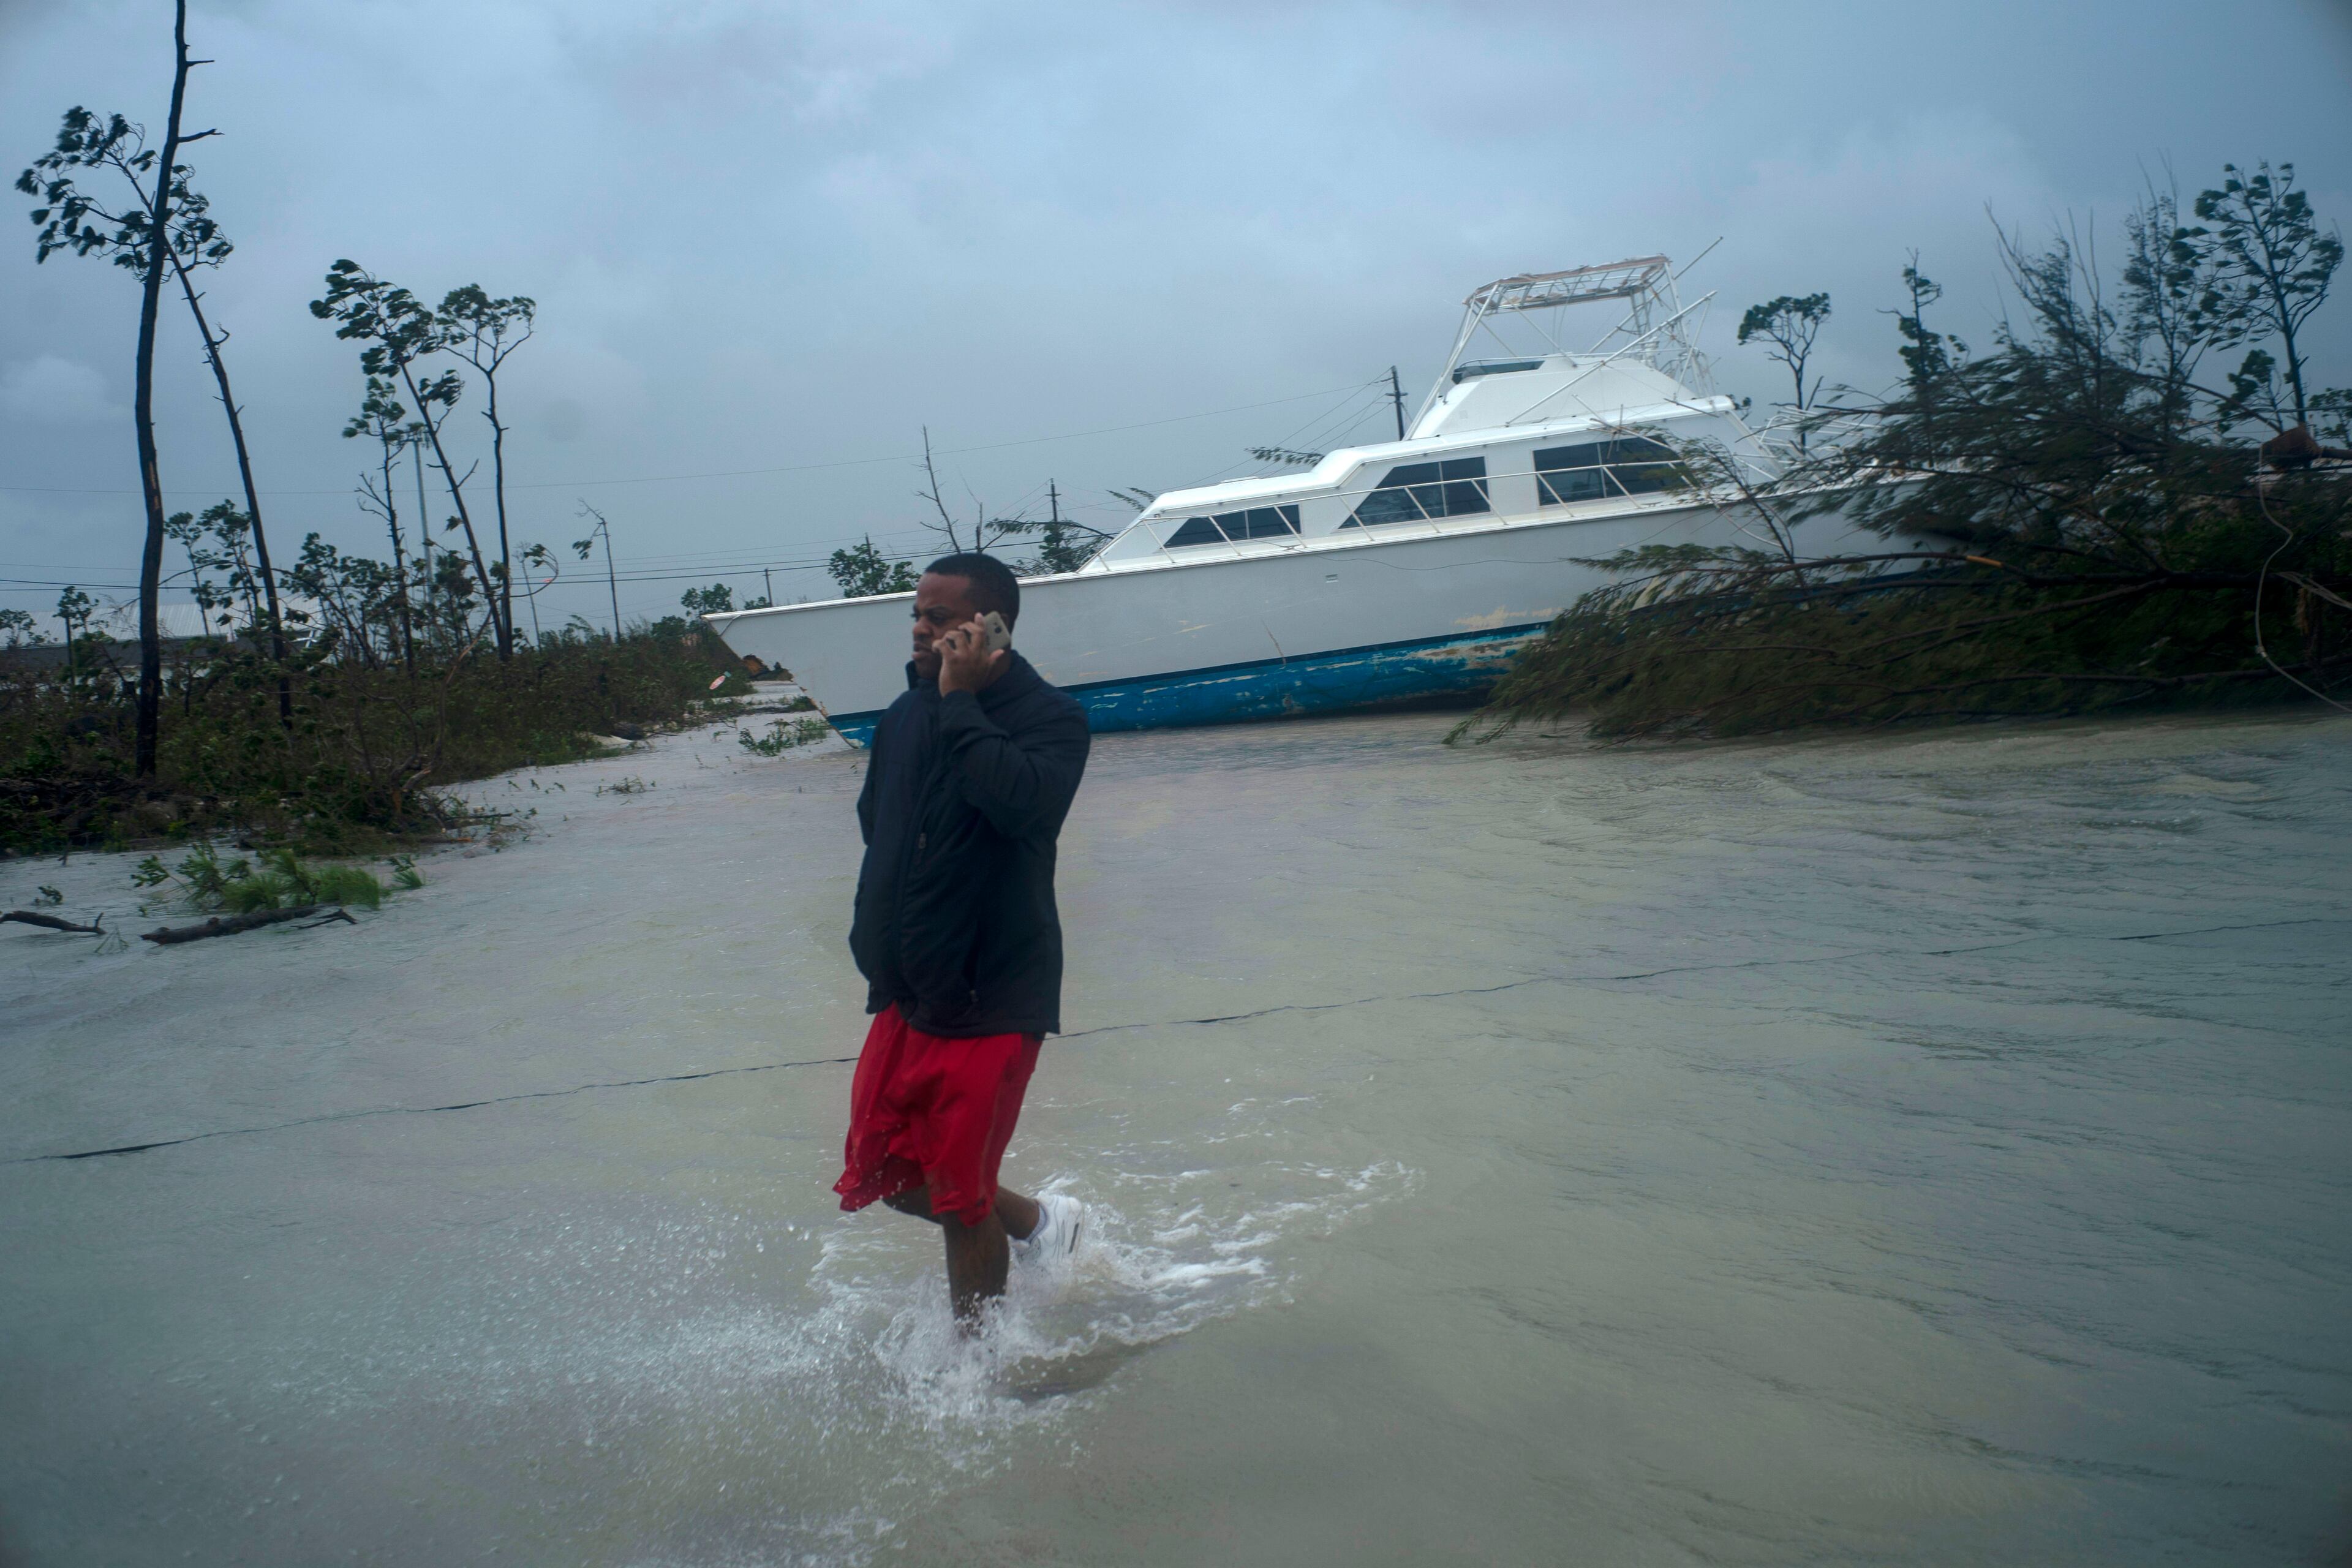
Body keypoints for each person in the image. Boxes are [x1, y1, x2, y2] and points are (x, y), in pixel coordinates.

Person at [833, 552, 1093, 1327]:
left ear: (990, 628)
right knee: (891, 1174)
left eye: (939, 618)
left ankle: (975, 1372)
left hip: (992, 993)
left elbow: (1021, 808)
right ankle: (1043, 1224)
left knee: (958, 1196)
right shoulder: (903, 713)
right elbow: (876, 825)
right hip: (911, 987)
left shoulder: (1054, 720)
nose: (920, 628)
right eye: (917, 613)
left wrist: (960, 703)